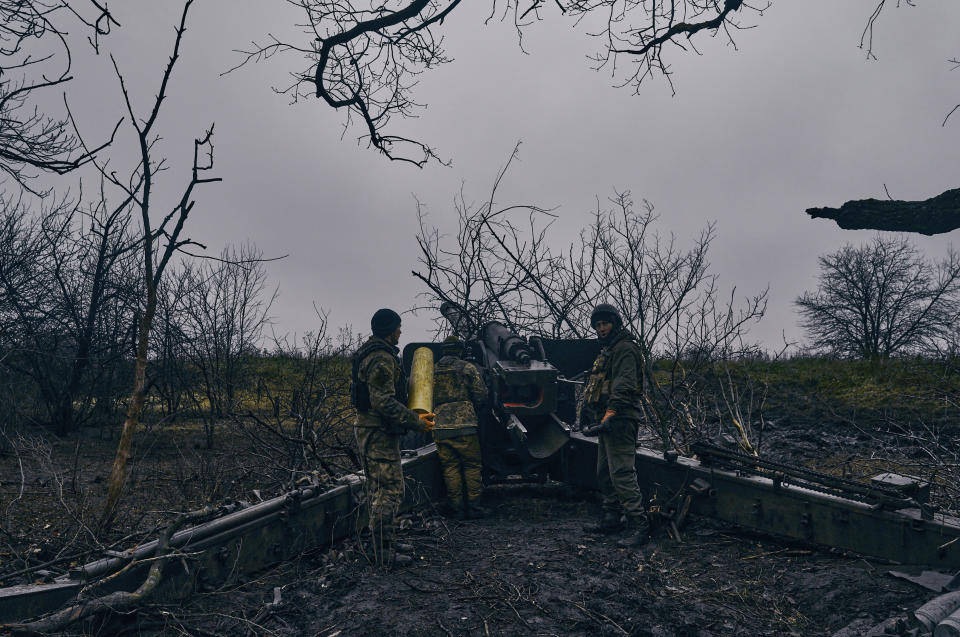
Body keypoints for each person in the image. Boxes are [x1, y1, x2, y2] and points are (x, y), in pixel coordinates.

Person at [352, 308, 435, 567]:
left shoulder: (374, 353)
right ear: (389, 331)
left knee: (379, 489)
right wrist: (415, 421)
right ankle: (382, 553)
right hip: (378, 432)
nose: (401, 331)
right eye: (399, 327)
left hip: (373, 430)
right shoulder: (381, 359)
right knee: (389, 491)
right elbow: (382, 402)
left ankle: (385, 542)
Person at [581, 303, 651, 548]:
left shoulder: (625, 349)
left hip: (620, 418)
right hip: (607, 420)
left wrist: (610, 413)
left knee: (621, 472)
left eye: (605, 323)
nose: (601, 329)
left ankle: (639, 524)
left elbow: (624, 385)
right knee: (604, 471)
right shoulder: (609, 350)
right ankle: (612, 517)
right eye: (598, 325)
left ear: (615, 323)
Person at [431, 337, 489, 519]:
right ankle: (475, 508)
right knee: (472, 466)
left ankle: (456, 509)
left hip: (440, 425)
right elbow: (481, 395)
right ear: (459, 350)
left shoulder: (432, 370)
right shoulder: (467, 368)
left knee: (450, 467)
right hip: (466, 425)